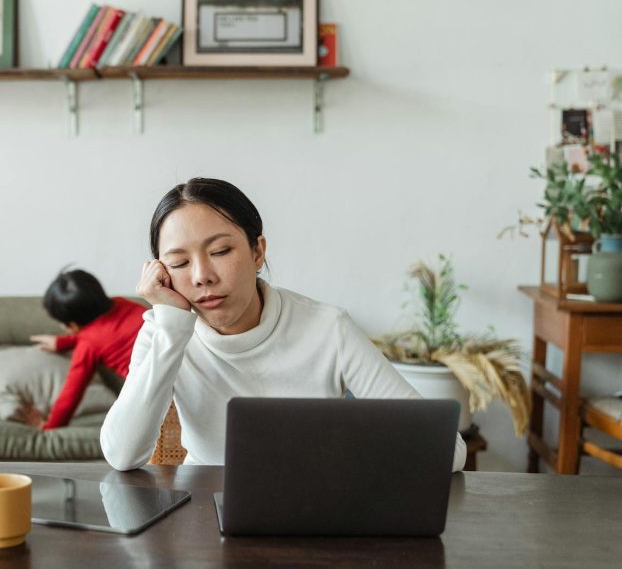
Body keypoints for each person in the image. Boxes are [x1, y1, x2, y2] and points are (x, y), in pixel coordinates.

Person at [101, 177, 466, 471]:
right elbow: (122, 455)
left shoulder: (328, 329)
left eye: (220, 251)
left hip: (314, 507)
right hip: (204, 512)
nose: (201, 276)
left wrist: (343, 458)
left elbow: (448, 451)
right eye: (179, 263)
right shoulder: (165, 331)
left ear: (258, 251)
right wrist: (171, 327)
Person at [29, 269, 146, 430]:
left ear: (72, 325)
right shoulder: (122, 303)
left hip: (151, 392)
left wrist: (50, 426)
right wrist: (63, 342)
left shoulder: (87, 346)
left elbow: (71, 394)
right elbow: (108, 332)